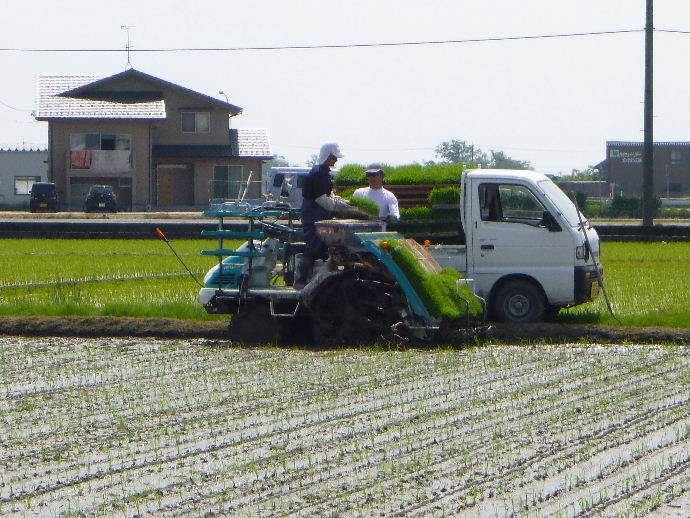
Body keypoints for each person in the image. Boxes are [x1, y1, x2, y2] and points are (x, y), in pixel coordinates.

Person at [295, 142, 351, 288]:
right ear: (327, 156)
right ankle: (300, 280)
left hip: (318, 214)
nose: (336, 161)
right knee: (314, 245)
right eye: (333, 157)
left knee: (325, 246)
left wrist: (342, 201)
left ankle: (321, 279)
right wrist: (340, 206)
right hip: (313, 214)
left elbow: (328, 195)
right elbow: (322, 200)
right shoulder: (318, 173)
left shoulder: (323, 172)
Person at [353, 165, 400, 230]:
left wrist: (392, 218)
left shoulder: (390, 196)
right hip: (360, 231)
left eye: (374, 175)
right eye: (369, 175)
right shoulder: (359, 193)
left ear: (382, 176)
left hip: (380, 232)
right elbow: (352, 211)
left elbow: (395, 215)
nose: (371, 177)